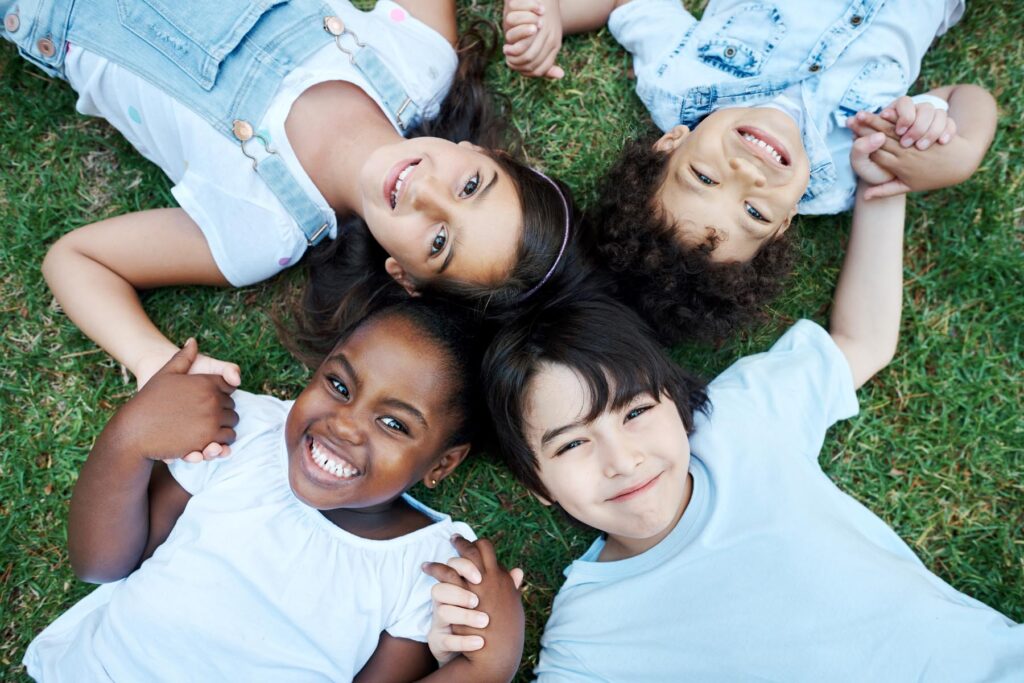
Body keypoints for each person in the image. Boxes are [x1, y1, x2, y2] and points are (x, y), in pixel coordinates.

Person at [422, 141, 1024, 679]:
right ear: (537, 484)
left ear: (678, 403)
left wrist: (882, 188)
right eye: (572, 443)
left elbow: (862, 343)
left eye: (634, 412)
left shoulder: (739, 421)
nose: (622, 459)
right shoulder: (589, 636)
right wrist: (473, 663)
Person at [0, 0, 579, 387]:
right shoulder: (421, 59)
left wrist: (154, 363)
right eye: (472, 186)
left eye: (438, 240)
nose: (426, 191)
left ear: (403, 274)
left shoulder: (261, 230)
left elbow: (77, 259)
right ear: (485, 154)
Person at [21, 298, 524, 682]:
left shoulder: (428, 568)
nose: (345, 426)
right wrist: (129, 438)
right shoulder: (247, 433)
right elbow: (103, 565)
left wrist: (485, 669)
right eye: (339, 386)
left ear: (442, 463)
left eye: (393, 423)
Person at [499, 0, 996, 343]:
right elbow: (964, 99)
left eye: (705, 178)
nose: (748, 173)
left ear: (671, 141)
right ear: (784, 224)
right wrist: (961, 152)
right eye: (755, 213)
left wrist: (555, 18)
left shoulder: (677, 82)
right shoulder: (860, 164)